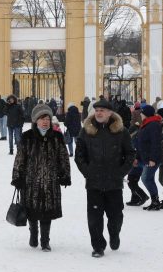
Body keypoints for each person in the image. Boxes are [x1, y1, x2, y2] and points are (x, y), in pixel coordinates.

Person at [75, 98, 134, 258]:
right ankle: (98, 246)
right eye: (97, 110)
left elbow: (130, 154)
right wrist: (88, 171)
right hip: (93, 183)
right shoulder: (87, 130)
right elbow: (79, 155)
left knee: (115, 216)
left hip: (114, 183)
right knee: (94, 217)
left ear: (110, 113)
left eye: (102, 110)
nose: (99, 113)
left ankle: (114, 234)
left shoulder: (121, 131)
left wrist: (121, 172)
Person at [11, 104, 71, 252]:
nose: (45, 121)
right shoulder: (27, 137)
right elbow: (20, 159)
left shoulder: (56, 137)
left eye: (47, 119)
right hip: (31, 182)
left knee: (47, 212)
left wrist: (65, 175)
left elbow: (63, 157)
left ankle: (45, 240)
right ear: (35, 120)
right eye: (42, 118)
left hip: (50, 181)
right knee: (31, 210)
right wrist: (17, 177)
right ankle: (33, 233)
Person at [136, 105, 162, 211]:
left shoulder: (153, 125)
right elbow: (141, 143)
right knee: (147, 178)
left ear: (146, 114)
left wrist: (153, 159)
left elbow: (155, 143)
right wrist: (138, 157)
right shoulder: (146, 124)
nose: (140, 115)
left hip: (152, 158)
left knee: (146, 178)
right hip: (146, 157)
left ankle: (155, 201)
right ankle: (155, 201)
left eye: (142, 113)